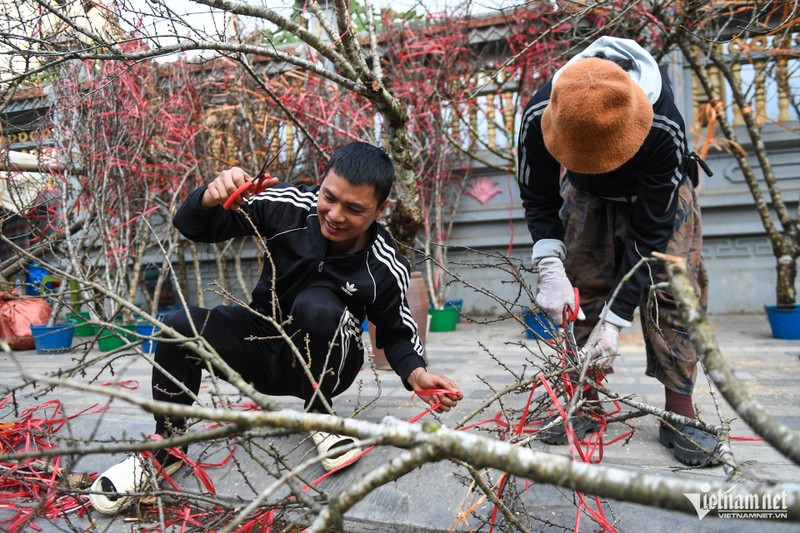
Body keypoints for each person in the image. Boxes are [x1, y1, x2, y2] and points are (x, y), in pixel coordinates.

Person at [89, 141, 463, 515]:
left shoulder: (384, 262)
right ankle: (168, 445)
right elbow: (194, 226)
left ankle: (321, 418)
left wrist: (416, 374)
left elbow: (397, 331)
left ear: (380, 209)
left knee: (315, 305)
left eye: (354, 209)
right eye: (329, 197)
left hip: (330, 360)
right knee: (179, 326)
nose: (334, 214)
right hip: (264, 340)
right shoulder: (288, 204)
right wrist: (209, 196)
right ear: (323, 182)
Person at [516, 36, 716, 466]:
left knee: (673, 294)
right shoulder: (540, 111)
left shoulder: (663, 124)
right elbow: (536, 194)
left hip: (657, 202)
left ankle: (678, 412)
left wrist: (616, 320)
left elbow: (651, 232)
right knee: (580, 288)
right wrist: (550, 265)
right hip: (585, 198)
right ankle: (583, 399)